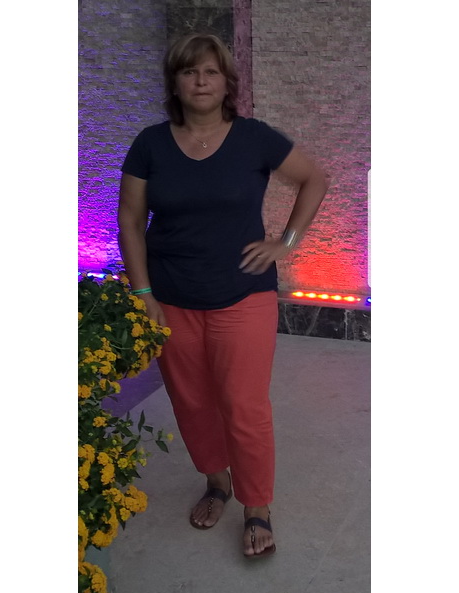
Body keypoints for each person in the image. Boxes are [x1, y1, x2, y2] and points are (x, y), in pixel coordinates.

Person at [118, 32, 329, 558]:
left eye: (210, 71)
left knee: (244, 406)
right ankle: (217, 483)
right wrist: (143, 292)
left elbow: (314, 180)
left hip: (242, 295)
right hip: (172, 298)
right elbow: (129, 220)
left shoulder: (254, 138)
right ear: (175, 83)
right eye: (189, 71)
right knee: (192, 402)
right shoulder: (150, 143)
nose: (201, 81)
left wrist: (286, 243)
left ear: (226, 82)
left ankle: (257, 507)